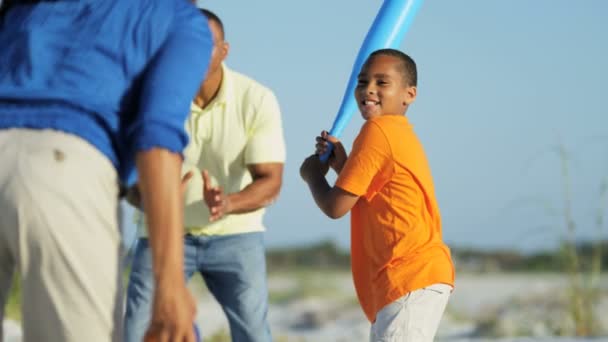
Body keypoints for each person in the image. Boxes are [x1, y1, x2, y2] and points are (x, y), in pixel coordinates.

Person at [0, 1, 213, 341]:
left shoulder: (31, 8)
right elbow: (156, 140)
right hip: (60, 174)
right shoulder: (179, 19)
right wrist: (171, 287)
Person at [124, 8, 285, 342]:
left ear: (224, 51)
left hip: (236, 236)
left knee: (254, 334)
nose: (192, 52)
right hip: (162, 233)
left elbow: (271, 181)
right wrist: (158, 200)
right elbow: (128, 183)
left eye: (205, 45)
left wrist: (227, 203)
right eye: (184, 43)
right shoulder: (147, 95)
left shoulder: (256, 99)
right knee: (136, 333)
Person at [300, 49, 455, 342]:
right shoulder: (394, 132)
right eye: (362, 82)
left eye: (382, 82)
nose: (368, 89)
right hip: (413, 278)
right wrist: (342, 167)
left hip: (409, 274)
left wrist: (312, 176)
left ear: (409, 94)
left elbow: (335, 206)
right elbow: (373, 196)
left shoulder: (377, 131)